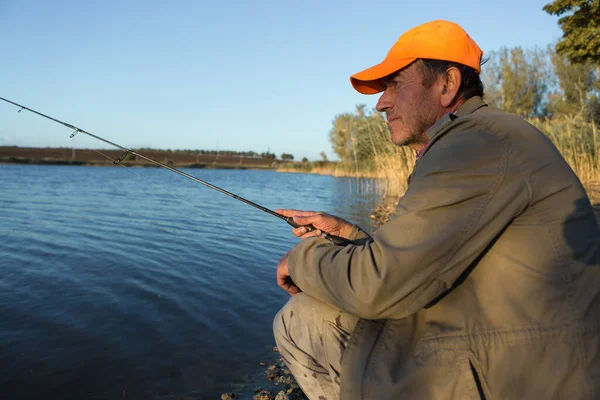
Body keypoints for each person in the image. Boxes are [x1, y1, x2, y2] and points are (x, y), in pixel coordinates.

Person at [272, 20, 600, 400]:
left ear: (447, 84)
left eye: (395, 83)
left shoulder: (476, 145)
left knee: (301, 321)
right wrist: (350, 238)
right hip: (509, 346)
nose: (380, 102)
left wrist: (302, 259)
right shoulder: (477, 138)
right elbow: (424, 260)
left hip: (531, 377)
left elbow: (380, 286)